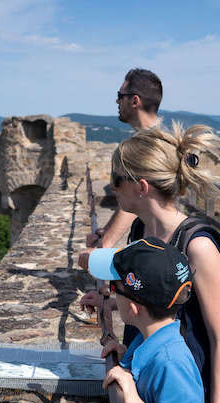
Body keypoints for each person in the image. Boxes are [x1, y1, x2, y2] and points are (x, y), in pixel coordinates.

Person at [81, 124, 220, 403]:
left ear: (141, 187)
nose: (112, 188)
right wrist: (109, 302)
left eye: (117, 179)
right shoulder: (140, 229)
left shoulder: (198, 247)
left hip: (180, 393)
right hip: (146, 372)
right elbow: (143, 293)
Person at [89, 237, 203, 403]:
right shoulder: (150, 338)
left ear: (134, 308)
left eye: (114, 286)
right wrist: (125, 357)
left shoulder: (170, 362)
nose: (110, 292)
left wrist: (132, 400)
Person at [77, 68, 162, 271]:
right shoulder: (155, 139)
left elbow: (140, 197)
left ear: (134, 101)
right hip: (151, 241)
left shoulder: (150, 146)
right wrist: (104, 232)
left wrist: (102, 247)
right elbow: (130, 200)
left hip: (156, 247)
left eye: (119, 96)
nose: (117, 102)